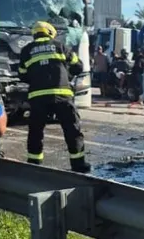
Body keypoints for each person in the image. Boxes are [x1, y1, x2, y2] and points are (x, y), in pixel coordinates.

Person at [17, 21, 91, 173]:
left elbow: (22, 75)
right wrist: (67, 72)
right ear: (50, 32)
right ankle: (79, 165)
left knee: (36, 131)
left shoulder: (26, 50)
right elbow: (78, 66)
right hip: (62, 95)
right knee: (72, 129)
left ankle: (34, 164)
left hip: (38, 97)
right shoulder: (60, 46)